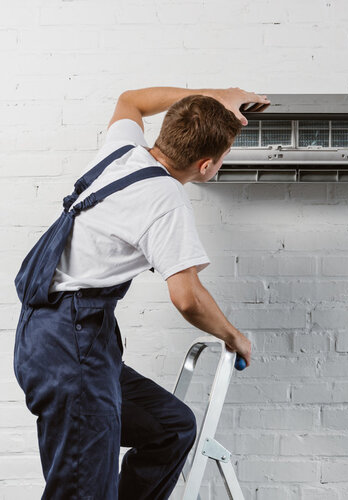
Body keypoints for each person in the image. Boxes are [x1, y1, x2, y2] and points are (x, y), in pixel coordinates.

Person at [12, 86, 270, 499]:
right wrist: (233, 336)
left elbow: (131, 100)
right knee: (82, 491)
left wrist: (214, 95)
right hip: (70, 346)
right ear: (206, 166)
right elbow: (187, 296)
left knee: (172, 428)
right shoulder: (167, 201)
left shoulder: (122, 152)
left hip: (59, 336)